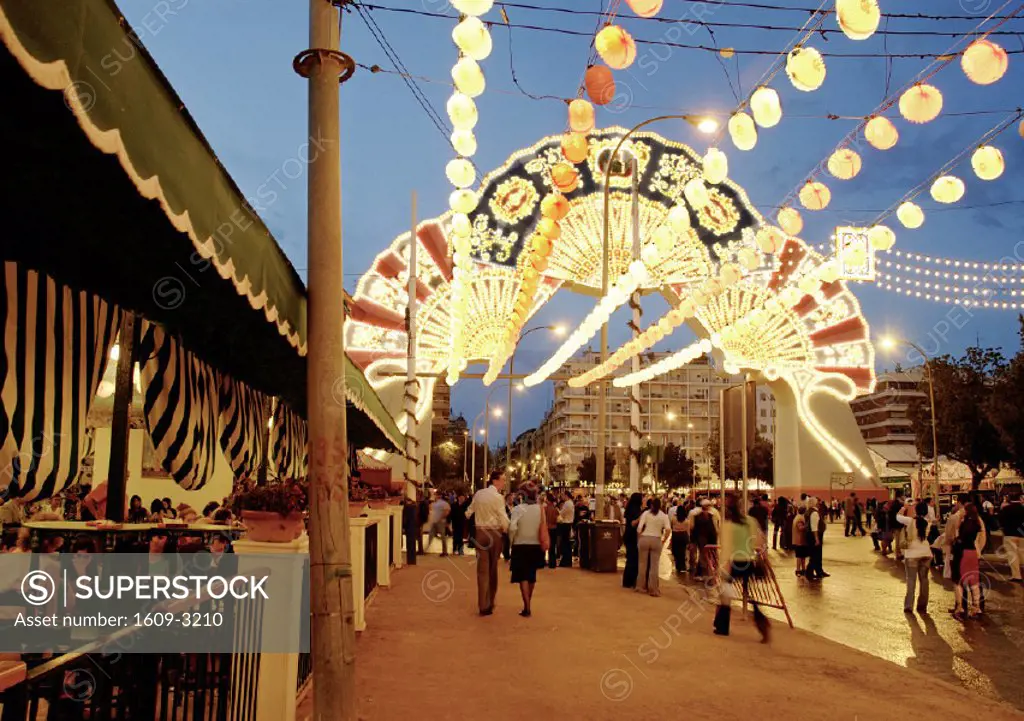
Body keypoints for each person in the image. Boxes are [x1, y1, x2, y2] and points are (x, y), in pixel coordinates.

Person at [713, 493, 770, 642]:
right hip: (748, 562)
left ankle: (722, 627)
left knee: (726, 596)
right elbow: (759, 542)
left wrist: (723, 568)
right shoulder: (751, 522)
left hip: (732, 563)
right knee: (749, 594)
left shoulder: (727, 525)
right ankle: (762, 624)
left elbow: (726, 548)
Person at [466, 470, 509, 616]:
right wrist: (509, 528)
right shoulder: (498, 497)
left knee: (482, 570)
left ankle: (482, 604)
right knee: (492, 569)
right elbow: (503, 517)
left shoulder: (479, 494)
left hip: (480, 533)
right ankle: (490, 601)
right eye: (502, 480)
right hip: (494, 533)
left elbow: (468, 511)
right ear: (495, 481)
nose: (504, 483)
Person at [508, 483, 548, 617]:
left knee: (522, 577)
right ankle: (528, 603)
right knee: (531, 575)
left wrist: (511, 541)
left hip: (520, 545)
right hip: (535, 546)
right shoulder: (540, 509)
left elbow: (512, 528)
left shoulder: (517, 509)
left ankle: (527, 606)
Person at [896, 500, 932, 614]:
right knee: (924, 580)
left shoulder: (910, 521)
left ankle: (908, 606)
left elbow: (898, 517)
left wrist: (904, 507)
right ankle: (922, 606)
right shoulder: (928, 522)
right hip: (926, 553)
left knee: (911, 580)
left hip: (912, 554)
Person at [636, 498, 671, 596]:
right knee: (654, 566)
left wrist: (639, 538)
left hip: (644, 538)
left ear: (651, 505)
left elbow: (639, 528)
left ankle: (640, 586)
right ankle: (653, 589)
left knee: (642, 564)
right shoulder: (664, 516)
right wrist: (664, 540)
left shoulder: (646, 514)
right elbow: (668, 530)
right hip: (656, 539)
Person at [998, 493, 1023, 582]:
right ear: (1020, 498)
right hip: (1022, 534)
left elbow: (1000, 521)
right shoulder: (1023, 508)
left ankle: (1016, 575)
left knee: (1013, 554)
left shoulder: (1006, 509)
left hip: (1009, 533)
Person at [621, 493, 644, 588]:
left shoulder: (630, 508)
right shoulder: (635, 509)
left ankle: (628, 581)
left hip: (629, 536)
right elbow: (633, 524)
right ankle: (630, 581)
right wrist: (642, 516)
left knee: (631, 558)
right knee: (633, 559)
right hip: (632, 536)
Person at [691, 500, 718, 580]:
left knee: (704, 556)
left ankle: (701, 573)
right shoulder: (707, 516)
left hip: (705, 539)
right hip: (703, 539)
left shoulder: (706, 516)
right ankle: (702, 573)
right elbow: (713, 528)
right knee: (704, 556)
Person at [669, 504, 690, 574]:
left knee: (676, 551)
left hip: (676, 535)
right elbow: (688, 530)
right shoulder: (687, 520)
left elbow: (671, 526)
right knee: (683, 551)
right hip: (683, 535)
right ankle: (683, 567)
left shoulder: (674, 519)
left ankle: (678, 566)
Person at [557, 492, 575, 568]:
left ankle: (565, 562)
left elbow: (562, 513)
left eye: (563, 495)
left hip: (565, 524)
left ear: (566, 496)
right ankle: (567, 561)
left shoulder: (567, 503)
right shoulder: (571, 503)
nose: (562, 497)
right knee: (567, 544)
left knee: (565, 544)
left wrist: (557, 510)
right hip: (569, 524)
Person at [543, 492, 559, 569]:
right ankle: (552, 563)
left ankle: (543, 562)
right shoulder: (555, 509)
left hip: (547, 528)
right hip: (554, 528)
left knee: (546, 545)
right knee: (553, 546)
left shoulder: (545, 509)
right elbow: (557, 519)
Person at [401, 496, 419, 566]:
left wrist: (403, 526)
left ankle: (410, 561)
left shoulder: (407, 508)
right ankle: (412, 561)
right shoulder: (415, 507)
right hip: (413, 527)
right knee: (412, 544)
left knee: (409, 544)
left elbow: (405, 519)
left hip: (409, 527)